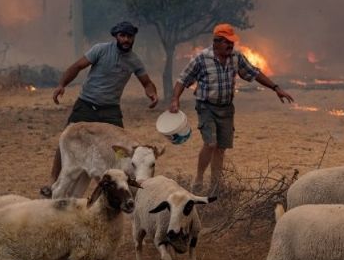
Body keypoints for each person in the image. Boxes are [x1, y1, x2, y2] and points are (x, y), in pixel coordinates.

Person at [169, 23, 294, 193]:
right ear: (216, 42)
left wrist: (276, 88)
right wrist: (175, 99)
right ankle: (198, 179)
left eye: (232, 42)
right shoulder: (201, 59)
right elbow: (183, 80)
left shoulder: (236, 57)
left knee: (220, 148)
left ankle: (215, 187)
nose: (231, 45)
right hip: (206, 106)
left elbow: (254, 73)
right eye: (227, 42)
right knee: (211, 143)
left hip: (226, 109)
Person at [41, 21, 159, 196]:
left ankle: (114, 186)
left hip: (110, 110)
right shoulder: (100, 50)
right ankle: (52, 181)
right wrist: (61, 84)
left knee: (122, 149)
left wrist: (152, 94)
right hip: (86, 104)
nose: (126, 39)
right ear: (116, 36)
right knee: (68, 139)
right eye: (122, 36)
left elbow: (147, 83)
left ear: (133, 38)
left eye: (129, 36)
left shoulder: (134, 61)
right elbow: (77, 66)